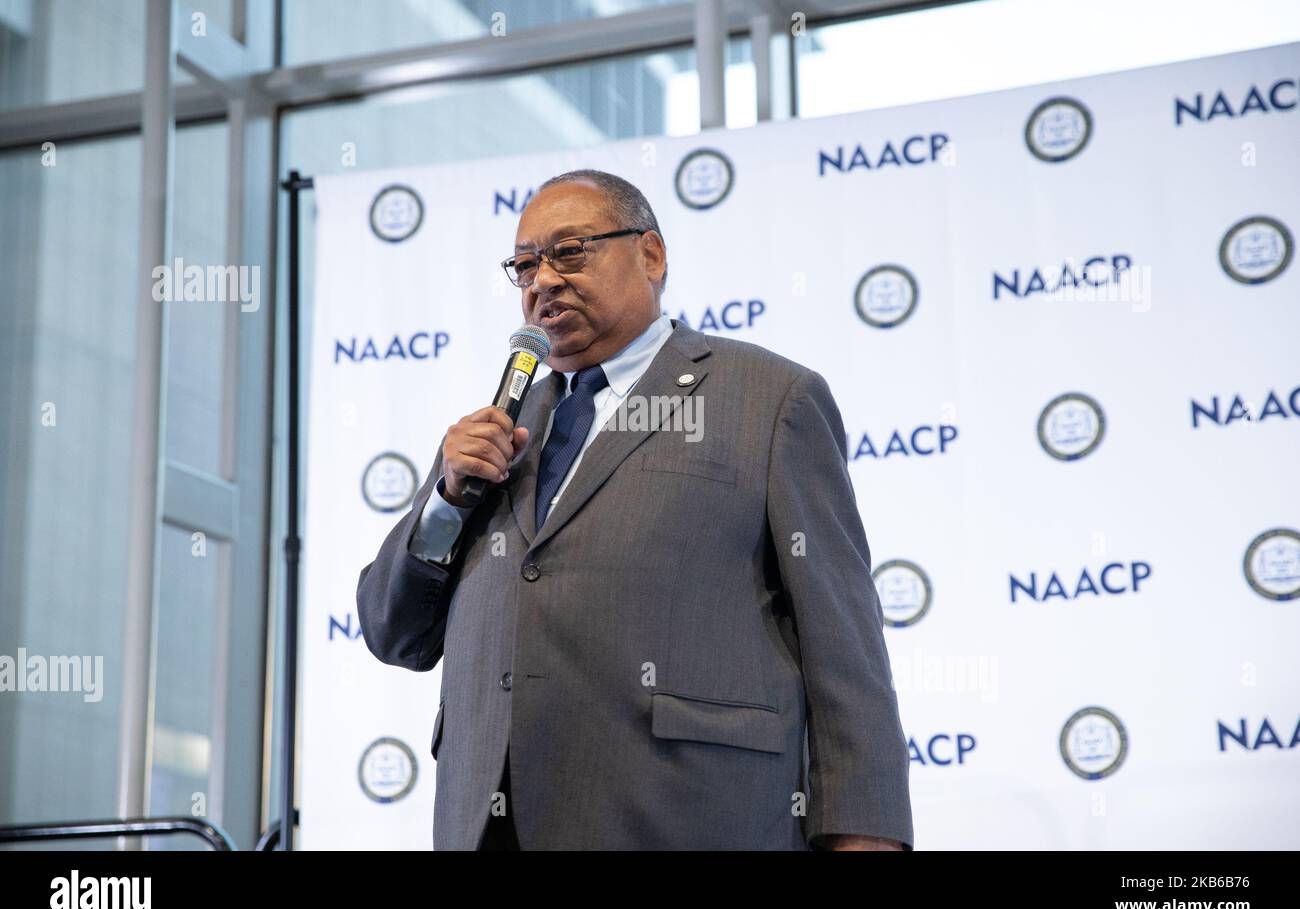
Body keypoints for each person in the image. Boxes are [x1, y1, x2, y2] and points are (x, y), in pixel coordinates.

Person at [356, 168, 913, 850]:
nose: (542, 281)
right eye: (525, 265)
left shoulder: (769, 399)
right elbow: (394, 633)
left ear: (651, 255)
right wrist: (445, 500)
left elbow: (844, 643)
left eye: (569, 252)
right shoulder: (498, 426)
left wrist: (864, 832)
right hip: (490, 822)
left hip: (688, 815)